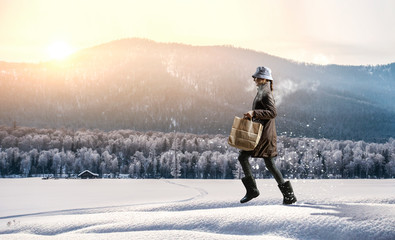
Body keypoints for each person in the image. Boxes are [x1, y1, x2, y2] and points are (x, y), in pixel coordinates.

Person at [238, 66, 297, 205]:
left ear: (265, 78)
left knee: (243, 157)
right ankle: (289, 196)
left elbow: (272, 112)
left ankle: (253, 190)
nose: (254, 79)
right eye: (255, 77)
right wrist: (252, 116)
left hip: (263, 136)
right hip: (263, 133)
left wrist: (254, 113)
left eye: (257, 77)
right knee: (269, 164)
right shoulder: (263, 91)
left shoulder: (266, 93)